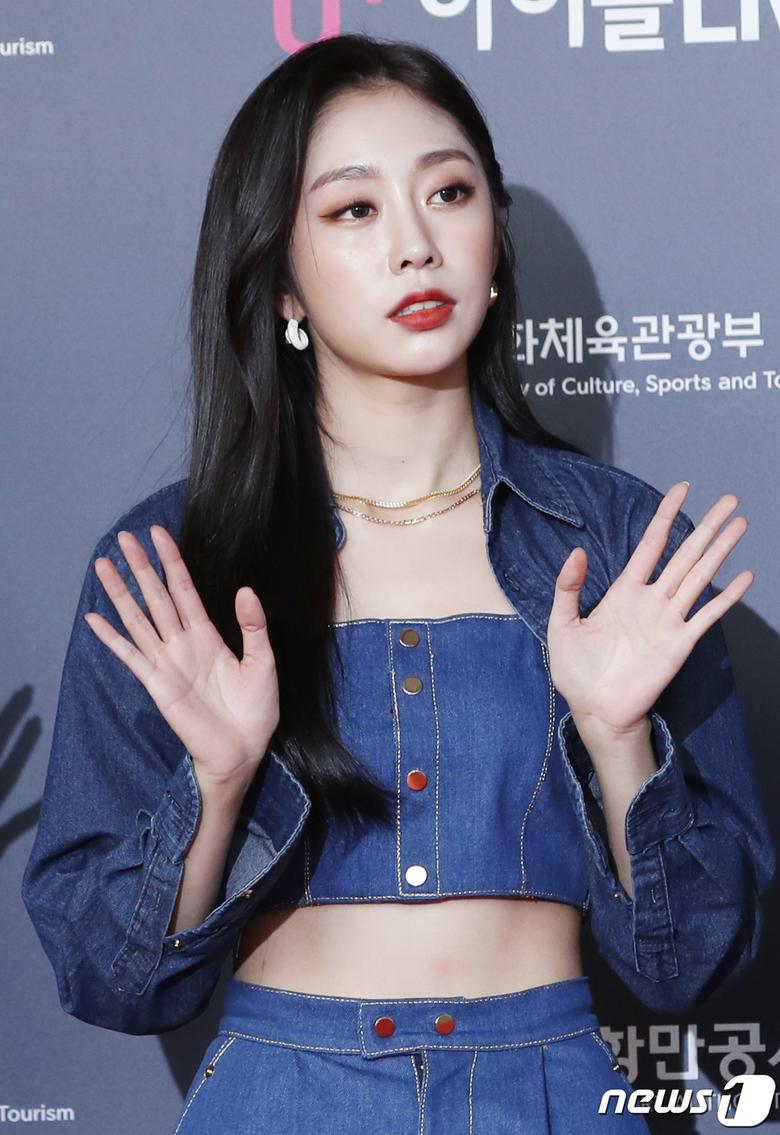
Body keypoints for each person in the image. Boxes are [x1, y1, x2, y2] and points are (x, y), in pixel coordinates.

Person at [21, 33, 774, 1134]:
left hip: (554, 1092)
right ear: (281, 277)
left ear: (494, 240)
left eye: (449, 193)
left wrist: (618, 742)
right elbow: (113, 980)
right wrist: (218, 783)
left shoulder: (618, 542)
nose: (416, 245)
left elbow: (690, 963)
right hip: (284, 1095)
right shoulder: (179, 564)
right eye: (354, 209)